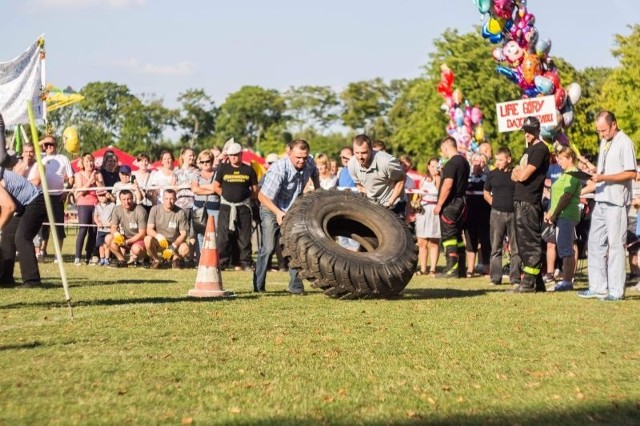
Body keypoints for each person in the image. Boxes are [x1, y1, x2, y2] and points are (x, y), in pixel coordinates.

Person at [579, 111, 637, 301]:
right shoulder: (605, 142)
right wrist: (593, 173)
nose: (601, 134)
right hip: (601, 199)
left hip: (617, 202)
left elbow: (630, 173)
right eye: (599, 131)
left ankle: (616, 291)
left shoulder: (625, 142)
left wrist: (604, 177)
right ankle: (597, 287)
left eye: (604, 130)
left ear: (614, 124)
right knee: (594, 244)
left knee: (615, 246)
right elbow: (605, 171)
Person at [253, 139, 319, 294]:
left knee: (295, 248)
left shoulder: (309, 162)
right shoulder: (279, 169)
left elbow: (315, 172)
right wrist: (277, 213)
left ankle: (295, 287)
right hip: (270, 208)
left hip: (292, 209)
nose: (301, 161)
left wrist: (318, 188)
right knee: (268, 248)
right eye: (298, 157)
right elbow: (262, 197)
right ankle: (258, 285)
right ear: (289, 153)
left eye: (304, 157)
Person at [511, 116, 550, 293]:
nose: (526, 134)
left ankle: (527, 283)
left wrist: (519, 173)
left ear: (537, 130)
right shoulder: (528, 150)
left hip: (530, 201)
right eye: (525, 131)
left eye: (530, 130)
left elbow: (523, 175)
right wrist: (518, 173)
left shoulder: (540, 149)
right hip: (521, 199)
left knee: (530, 242)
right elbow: (514, 174)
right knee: (522, 241)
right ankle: (537, 282)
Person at [214, 141, 258, 271]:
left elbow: (255, 190)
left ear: (241, 154)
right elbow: (215, 186)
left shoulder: (248, 170)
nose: (233, 157)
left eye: (236, 155)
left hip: (243, 207)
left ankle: (246, 262)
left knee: (244, 237)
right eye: (231, 155)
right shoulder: (223, 168)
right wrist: (226, 194)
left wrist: (245, 197)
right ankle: (222, 262)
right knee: (223, 236)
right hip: (226, 207)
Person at [0, 167, 48, 288]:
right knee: (7, 236)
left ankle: (32, 280)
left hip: (36, 203)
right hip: (24, 207)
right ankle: (5, 278)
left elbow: (10, 207)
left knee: (22, 238)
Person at [544, 146, 582, 292]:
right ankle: (567, 280)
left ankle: (567, 281)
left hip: (567, 215)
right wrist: (551, 212)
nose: (558, 162)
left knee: (565, 248)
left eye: (561, 159)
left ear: (570, 158)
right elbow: (558, 196)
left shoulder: (573, 174)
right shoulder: (565, 174)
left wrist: (554, 214)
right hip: (562, 215)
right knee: (564, 247)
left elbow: (566, 196)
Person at [434, 136, 470, 277]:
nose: (443, 153)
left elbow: (447, 186)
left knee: (449, 236)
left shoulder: (451, 164)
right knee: (458, 236)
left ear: (446, 147)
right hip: (462, 203)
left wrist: (439, 204)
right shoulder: (464, 162)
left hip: (451, 204)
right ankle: (461, 269)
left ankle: (451, 269)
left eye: (443, 150)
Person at [484, 147, 520, 285]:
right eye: (496, 159)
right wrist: (495, 203)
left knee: (515, 247)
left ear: (508, 159)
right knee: (495, 247)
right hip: (496, 214)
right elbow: (486, 192)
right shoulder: (492, 174)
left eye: (500, 159)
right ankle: (495, 277)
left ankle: (515, 278)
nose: (497, 162)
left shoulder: (516, 174)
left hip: (513, 214)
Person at [347, 134, 406, 217]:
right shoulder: (352, 164)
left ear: (371, 149)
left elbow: (402, 179)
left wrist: (390, 202)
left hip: (394, 205)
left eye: (364, 153)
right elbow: (360, 185)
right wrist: (365, 203)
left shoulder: (386, 163)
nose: (360, 157)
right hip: (373, 206)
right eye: (357, 153)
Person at [39, 134, 74, 258]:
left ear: (56, 145)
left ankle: (58, 254)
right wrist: (43, 141)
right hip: (42, 196)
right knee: (43, 225)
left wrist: (66, 191)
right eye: (46, 144)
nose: (49, 146)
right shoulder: (40, 158)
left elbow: (71, 178)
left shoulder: (63, 158)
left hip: (58, 196)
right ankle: (42, 251)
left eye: (51, 144)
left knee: (59, 226)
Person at [144, 189, 189, 269]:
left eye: (171, 199)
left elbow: (184, 234)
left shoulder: (181, 212)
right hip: (160, 241)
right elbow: (149, 229)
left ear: (175, 199)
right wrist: (158, 236)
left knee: (185, 249)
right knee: (147, 239)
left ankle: (175, 259)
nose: (169, 201)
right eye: (166, 198)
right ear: (162, 199)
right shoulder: (155, 209)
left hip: (175, 242)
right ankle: (156, 261)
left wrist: (173, 246)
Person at [72, 153, 104, 266]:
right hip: (83, 205)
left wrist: (96, 181)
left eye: (91, 161)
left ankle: (88, 256)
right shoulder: (78, 175)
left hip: (96, 205)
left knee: (93, 231)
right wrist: (90, 181)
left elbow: (102, 190)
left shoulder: (98, 173)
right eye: (87, 161)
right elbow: (80, 192)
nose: (90, 163)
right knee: (83, 229)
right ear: (83, 163)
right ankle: (77, 257)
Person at [464, 152, 491, 277]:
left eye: (481, 161)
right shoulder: (466, 177)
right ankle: (470, 269)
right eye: (476, 161)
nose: (478, 164)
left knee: (486, 241)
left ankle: (487, 268)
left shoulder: (489, 177)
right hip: (470, 214)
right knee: (470, 240)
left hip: (485, 214)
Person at [106, 190, 149, 268]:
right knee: (108, 238)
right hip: (126, 238)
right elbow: (113, 227)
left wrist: (127, 242)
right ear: (120, 200)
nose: (127, 202)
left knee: (136, 249)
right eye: (124, 199)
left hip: (139, 239)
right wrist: (116, 234)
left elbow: (142, 234)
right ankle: (122, 261)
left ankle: (145, 258)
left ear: (133, 198)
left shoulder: (140, 211)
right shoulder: (117, 209)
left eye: (129, 199)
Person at [414, 157, 441, 277]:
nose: (434, 168)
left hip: (435, 210)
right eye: (432, 166)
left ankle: (433, 269)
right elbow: (418, 196)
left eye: (437, 166)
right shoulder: (423, 180)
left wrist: (437, 177)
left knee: (434, 241)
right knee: (422, 242)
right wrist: (416, 202)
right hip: (423, 211)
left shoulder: (440, 179)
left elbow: (440, 192)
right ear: (428, 167)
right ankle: (423, 268)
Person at [191, 149, 220, 254]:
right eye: (202, 162)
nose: (205, 164)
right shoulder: (196, 174)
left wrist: (202, 188)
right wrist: (211, 189)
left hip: (214, 208)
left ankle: (213, 257)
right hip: (199, 208)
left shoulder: (217, 173)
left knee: (214, 234)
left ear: (212, 161)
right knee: (200, 234)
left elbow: (217, 189)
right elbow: (194, 189)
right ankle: (200, 257)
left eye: (207, 161)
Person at [93, 189, 115, 266]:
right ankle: (102, 259)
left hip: (108, 229)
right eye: (100, 196)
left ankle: (107, 259)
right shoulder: (97, 206)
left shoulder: (112, 205)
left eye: (103, 195)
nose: (101, 197)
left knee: (107, 245)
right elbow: (95, 217)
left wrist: (111, 223)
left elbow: (114, 216)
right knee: (100, 245)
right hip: (101, 229)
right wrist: (98, 223)